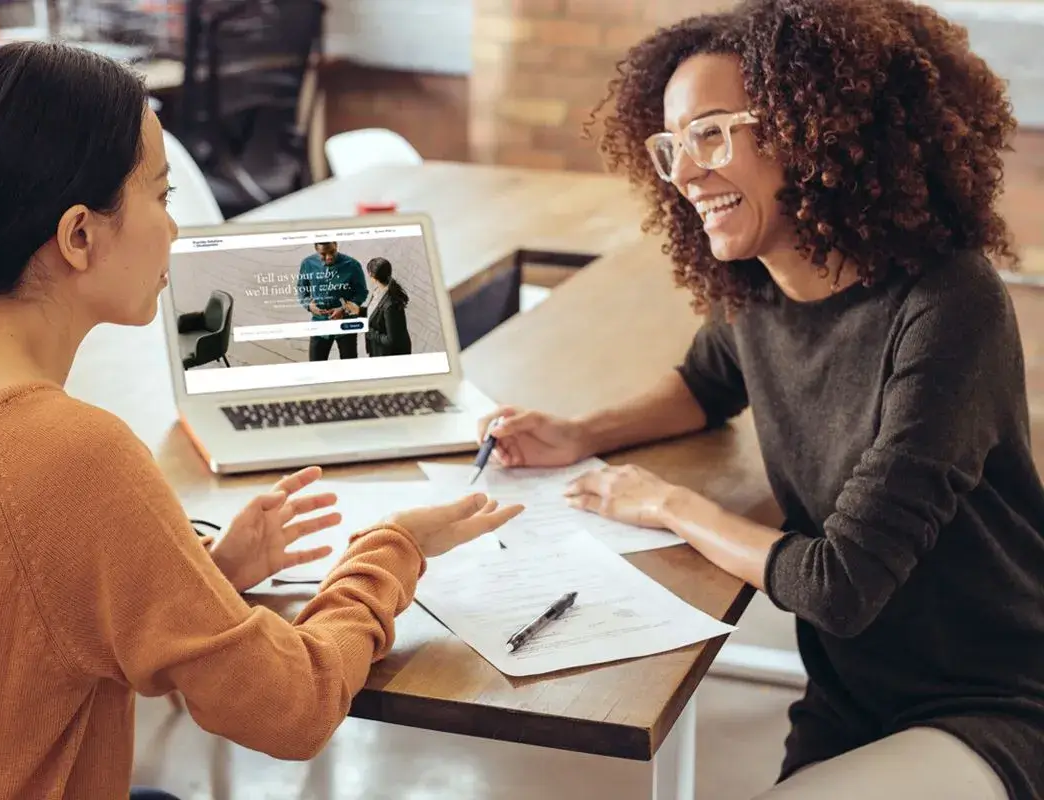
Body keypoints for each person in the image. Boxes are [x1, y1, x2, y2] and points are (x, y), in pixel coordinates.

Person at [0, 42, 523, 799]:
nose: (176, 232)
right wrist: (393, 550)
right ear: (79, 236)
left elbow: (26, 623)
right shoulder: (67, 455)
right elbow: (290, 709)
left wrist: (206, 575)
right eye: (162, 198)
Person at [479, 1, 1044, 798]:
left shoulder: (949, 304)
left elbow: (836, 585)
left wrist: (668, 506)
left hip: (989, 701)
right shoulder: (761, 287)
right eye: (671, 144)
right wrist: (579, 432)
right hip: (850, 696)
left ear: (814, 130)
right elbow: (707, 382)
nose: (681, 172)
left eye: (712, 133)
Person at [297, 241, 368, 361]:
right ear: (316, 249)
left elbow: (361, 293)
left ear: (336, 245)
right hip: (319, 324)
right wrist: (309, 305)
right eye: (323, 254)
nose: (328, 257)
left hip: (346, 323)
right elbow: (301, 289)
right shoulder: (307, 264)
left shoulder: (352, 265)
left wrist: (344, 309)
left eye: (332, 252)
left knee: (350, 367)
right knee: (315, 366)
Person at [349, 256, 412, 357]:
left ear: (371, 275)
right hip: (379, 350)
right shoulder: (378, 291)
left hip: (390, 355)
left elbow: (391, 341)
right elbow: (377, 315)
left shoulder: (390, 305)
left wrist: (368, 330)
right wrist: (359, 311)